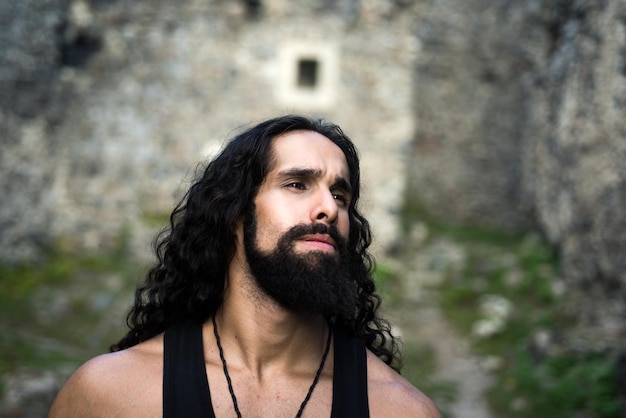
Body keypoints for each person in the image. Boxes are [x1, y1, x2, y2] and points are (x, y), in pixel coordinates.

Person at [48, 115, 441, 417]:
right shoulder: (111, 395)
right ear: (234, 214)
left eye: (340, 194)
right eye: (297, 184)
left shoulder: (399, 409)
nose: (329, 207)